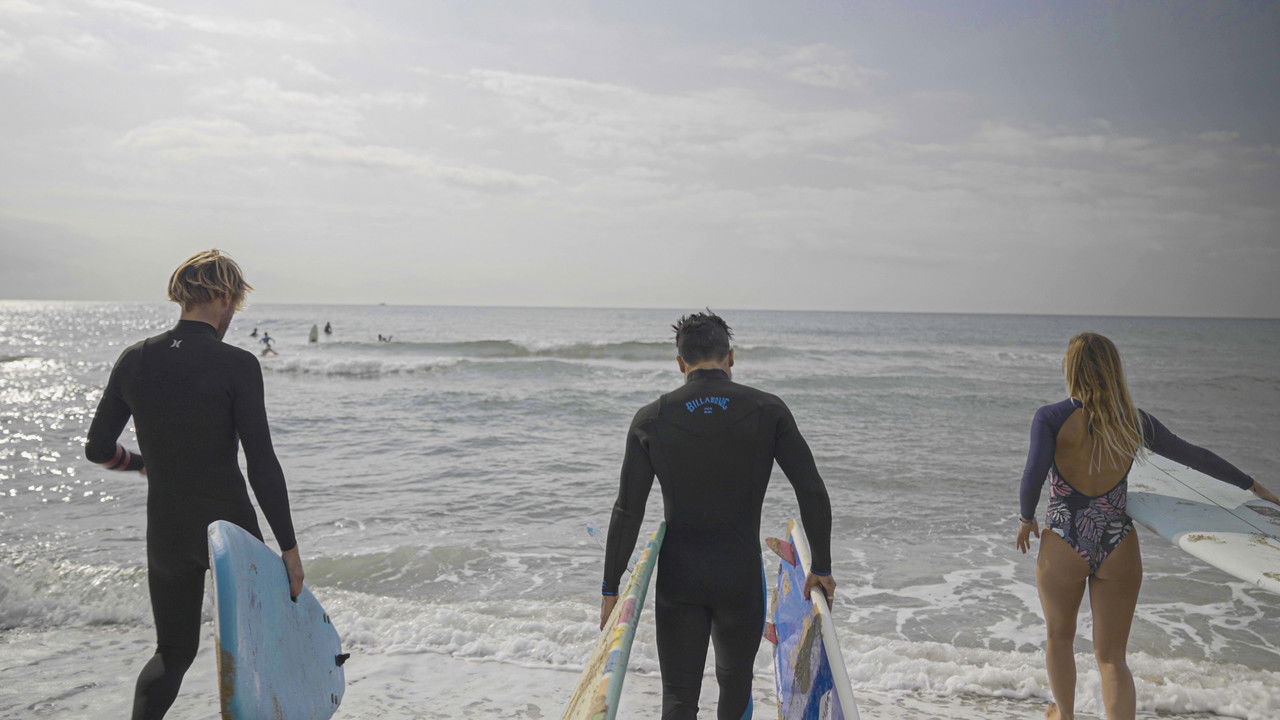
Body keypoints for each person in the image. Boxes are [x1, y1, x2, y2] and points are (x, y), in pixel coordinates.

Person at [84, 249, 304, 720]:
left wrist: (145, 464)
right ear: (224, 297)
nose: (231, 315)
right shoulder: (237, 364)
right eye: (234, 304)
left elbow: (98, 448)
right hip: (231, 532)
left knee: (173, 653)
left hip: (167, 529)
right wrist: (288, 547)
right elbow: (261, 462)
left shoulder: (135, 359)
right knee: (261, 649)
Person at [1015, 332, 1278, 720]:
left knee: (1059, 637)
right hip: (1117, 543)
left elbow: (1033, 475)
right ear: (1112, 370)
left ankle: (1065, 715)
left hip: (1065, 539)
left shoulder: (1051, 417)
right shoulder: (1135, 422)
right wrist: (1251, 485)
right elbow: (1195, 456)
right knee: (1112, 659)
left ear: (1071, 369)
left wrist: (1025, 518)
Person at [601, 311, 835, 720]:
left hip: (679, 580)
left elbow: (627, 511)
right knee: (735, 689)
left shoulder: (651, 420)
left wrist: (609, 588)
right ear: (731, 357)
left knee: (678, 698)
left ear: (680, 363)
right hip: (739, 579)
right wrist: (822, 566)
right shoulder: (768, 410)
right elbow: (811, 490)